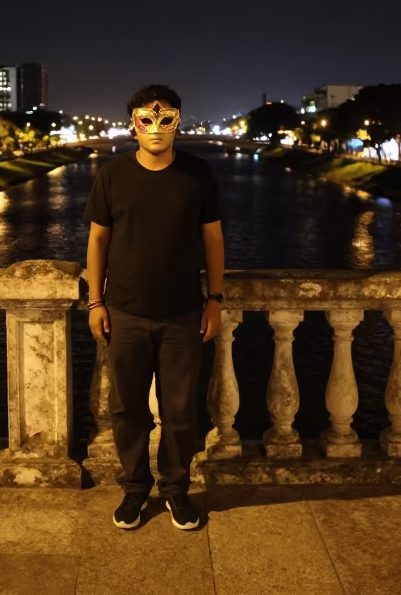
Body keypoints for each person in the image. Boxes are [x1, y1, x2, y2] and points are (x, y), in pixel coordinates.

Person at [84, 84, 226, 531]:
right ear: (133, 125)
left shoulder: (198, 174)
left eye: (166, 120)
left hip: (183, 313)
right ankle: (133, 489)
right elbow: (98, 239)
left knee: (181, 411)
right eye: (147, 120)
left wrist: (215, 300)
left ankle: (176, 489)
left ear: (179, 122)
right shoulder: (112, 174)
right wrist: (95, 301)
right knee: (127, 409)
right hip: (125, 312)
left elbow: (213, 240)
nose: (157, 128)